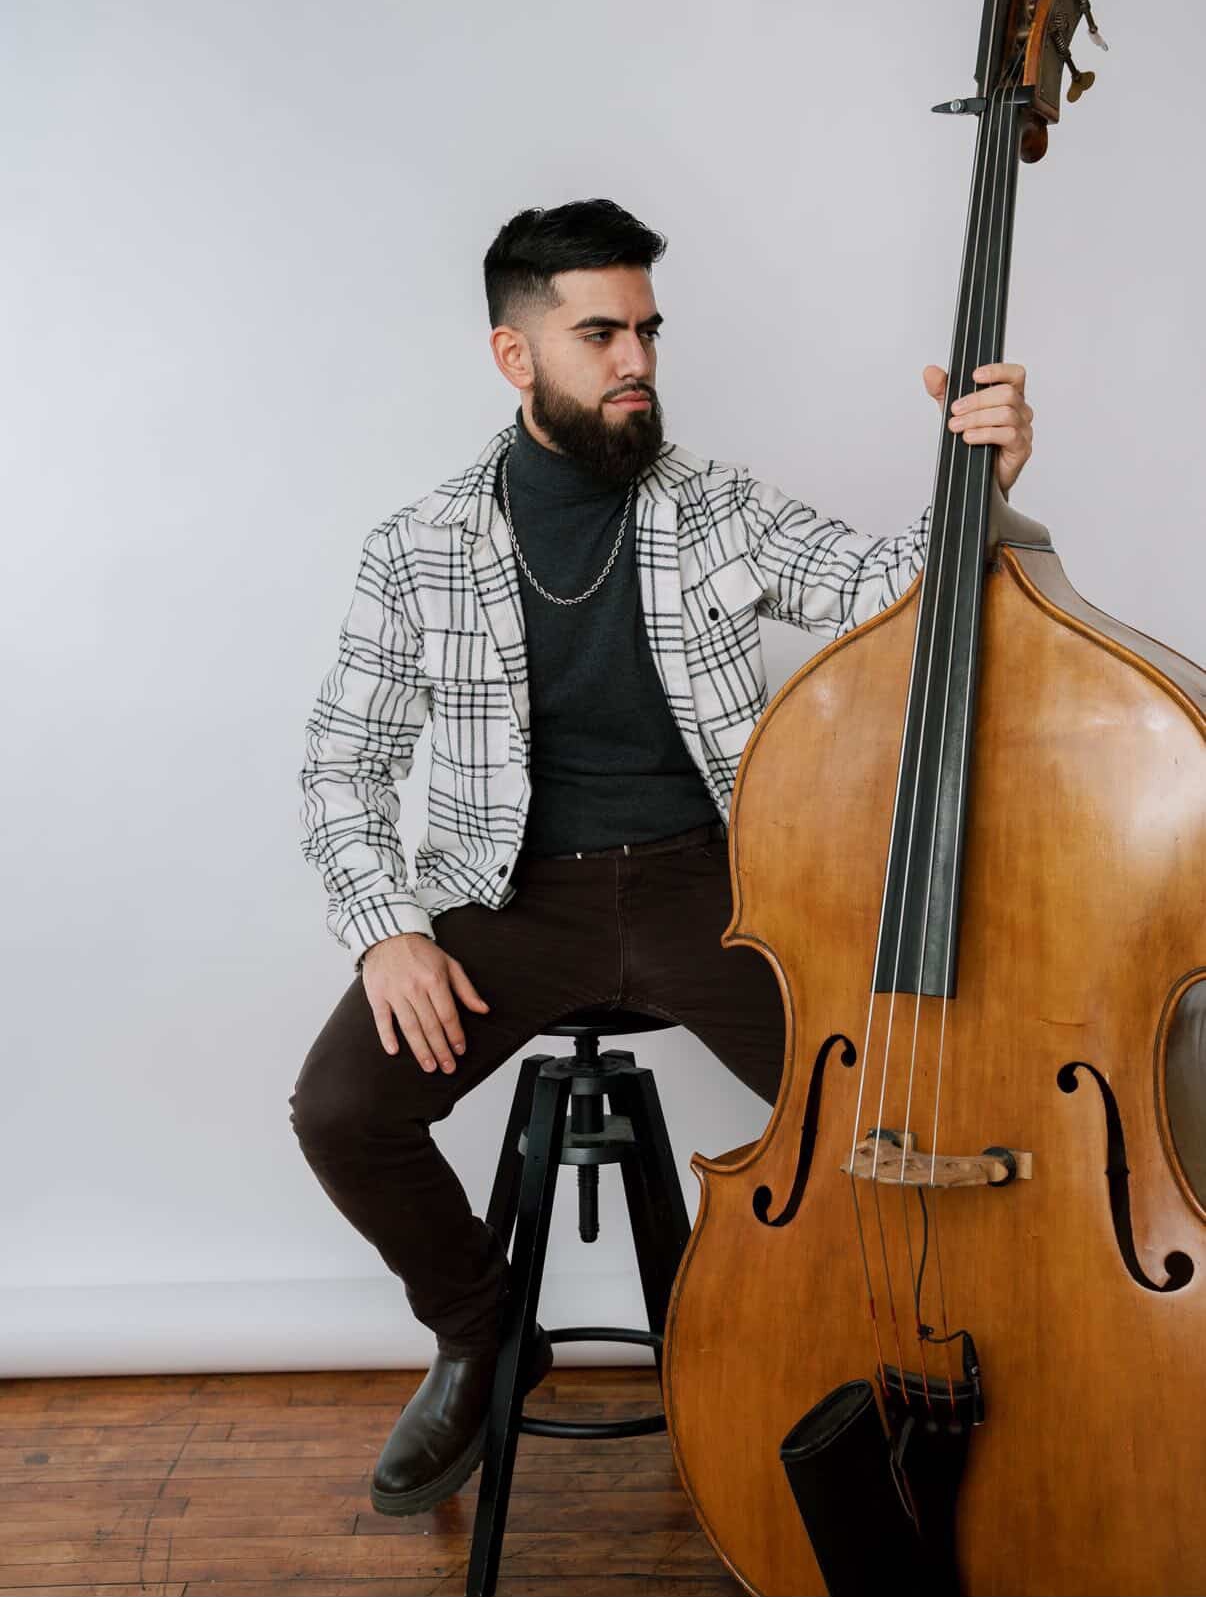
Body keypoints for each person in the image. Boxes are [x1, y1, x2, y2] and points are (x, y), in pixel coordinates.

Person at [289, 198, 1033, 1518]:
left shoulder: (716, 505)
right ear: (515, 356)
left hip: (715, 885)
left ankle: (852, 1377)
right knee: (344, 1109)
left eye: (645, 329)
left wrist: (983, 475)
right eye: (598, 332)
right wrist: (387, 927)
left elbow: (898, 593)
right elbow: (340, 766)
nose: (634, 358)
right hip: (507, 901)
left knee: (894, 1124)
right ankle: (481, 1332)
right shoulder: (416, 547)